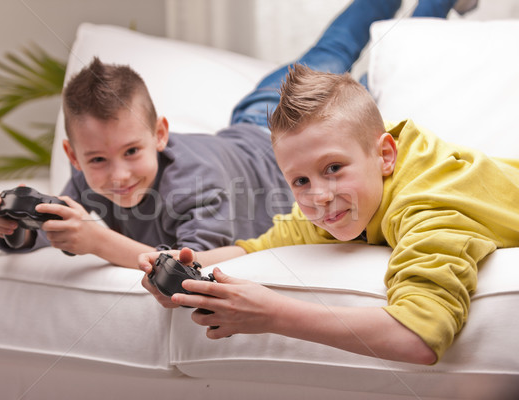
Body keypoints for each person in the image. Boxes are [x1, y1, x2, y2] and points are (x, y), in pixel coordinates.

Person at [138, 0, 514, 366]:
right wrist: (180, 262)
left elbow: (418, 336)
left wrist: (272, 314)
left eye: (333, 168)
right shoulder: (343, 201)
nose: (318, 196)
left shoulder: (429, 203)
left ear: (385, 155)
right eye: (300, 180)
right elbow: (255, 247)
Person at [0, 44, 301, 268]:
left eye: (131, 151)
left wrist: (99, 241)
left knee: (334, 49)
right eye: (97, 160)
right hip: (243, 130)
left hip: (285, 139)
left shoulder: (197, 183)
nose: (118, 175)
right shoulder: (85, 180)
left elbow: (192, 264)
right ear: (73, 157)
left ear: (160, 135)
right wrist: (18, 227)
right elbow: (54, 232)